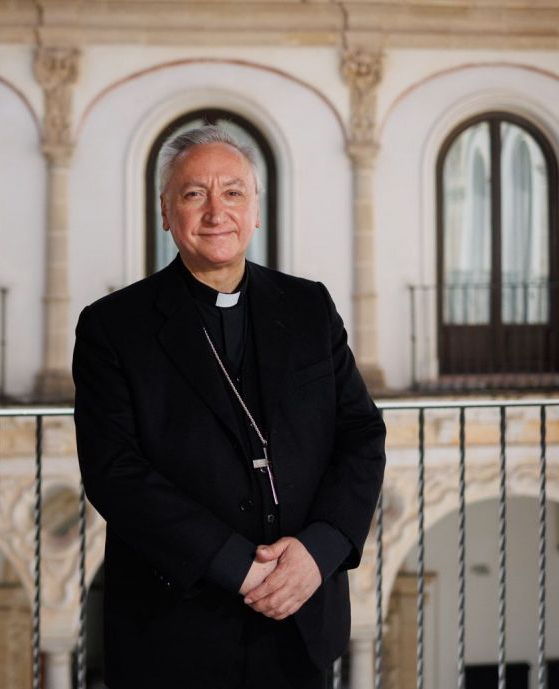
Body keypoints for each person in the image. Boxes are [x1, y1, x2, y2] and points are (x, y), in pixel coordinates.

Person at [72, 125, 387, 688]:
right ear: (166, 212)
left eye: (233, 192)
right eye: (194, 194)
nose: (217, 211)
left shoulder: (310, 307)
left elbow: (361, 433)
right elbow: (115, 472)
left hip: (299, 618)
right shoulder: (113, 327)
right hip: (174, 632)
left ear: (256, 211)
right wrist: (235, 566)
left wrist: (320, 551)